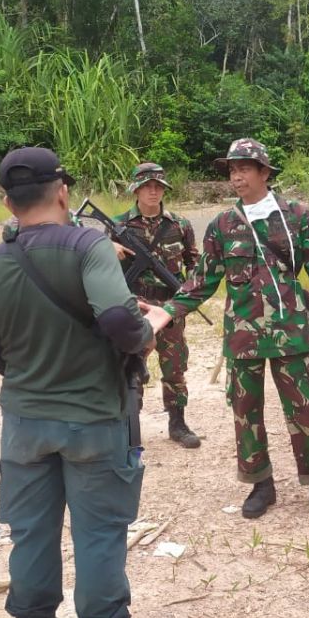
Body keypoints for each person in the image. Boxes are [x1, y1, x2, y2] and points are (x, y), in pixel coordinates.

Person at [0, 147, 162, 618]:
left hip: (25, 421)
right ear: (62, 191)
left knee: (30, 529)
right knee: (98, 531)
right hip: (95, 417)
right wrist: (152, 329)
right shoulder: (89, 247)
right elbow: (122, 326)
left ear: (8, 203)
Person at [148, 138, 309, 519]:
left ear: (265, 172)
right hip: (243, 334)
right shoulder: (222, 225)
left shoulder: (296, 215)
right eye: (231, 169)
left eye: (244, 168)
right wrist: (166, 311)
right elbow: (202, 280)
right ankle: (260, 484)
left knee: (306, 406)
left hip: (290, 330)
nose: (236, 176)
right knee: (245, 410)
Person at [111, 163, 201, 448]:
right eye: (148, 185)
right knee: (131, 364)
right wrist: (106, 247)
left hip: (171, 305)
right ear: (135, 189)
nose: (154, 191)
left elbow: (195, 265)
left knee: (175, 366)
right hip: (134, 304)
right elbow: (98, 267)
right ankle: (129, 425)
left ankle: (178, 423)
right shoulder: (118, 225)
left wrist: (186, 298)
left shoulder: (180, 225)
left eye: (159, 186)